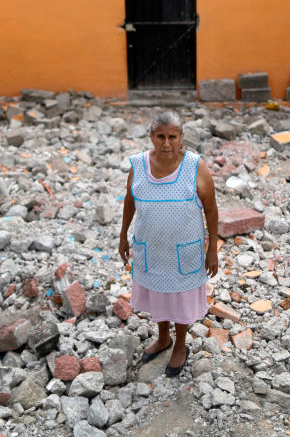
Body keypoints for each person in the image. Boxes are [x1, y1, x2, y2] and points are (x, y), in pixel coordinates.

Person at [118, 110, 219, 378]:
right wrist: (122, 235)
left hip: (184, 249)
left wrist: (212, 250)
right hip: (150, 247)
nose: (166, 143)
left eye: (172, 137)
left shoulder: (196, 166)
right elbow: (130, 201)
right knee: (157, 292)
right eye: (160, 136)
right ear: (151, 136)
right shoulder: (138, 165)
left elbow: (211, 210)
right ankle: (163, 338)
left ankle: (181, 344)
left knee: (181, 297)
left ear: (181, 137)